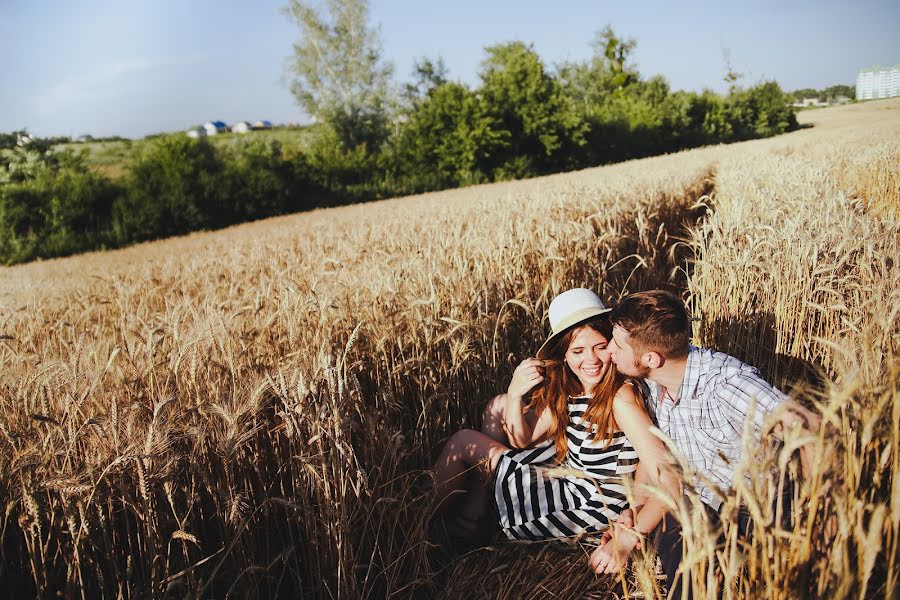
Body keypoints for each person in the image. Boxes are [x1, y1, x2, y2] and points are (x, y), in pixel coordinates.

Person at [432, 288, 678, 572]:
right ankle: (475, 513)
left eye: (599, 346)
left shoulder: (620, 397)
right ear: (563, 355)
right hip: (574, 480)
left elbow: (659, 468)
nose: (592, 359)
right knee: (498, 405)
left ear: (611, 344)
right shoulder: (574, 389)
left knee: (463, 441)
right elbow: (521, 440)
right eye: (578, 351)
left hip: (587, 505)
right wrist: (514, 394)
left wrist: (631, 529)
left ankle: (424, 526)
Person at [592, 289, 819, 596]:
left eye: (617, 345)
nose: (609, 351)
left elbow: (811, 427)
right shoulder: (651, 380)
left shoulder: (726, 383)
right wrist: (635, 512)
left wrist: (818, 510)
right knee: (680, 560)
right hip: (697, 503)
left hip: (754, 504)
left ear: (650, 358)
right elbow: (654, 457)